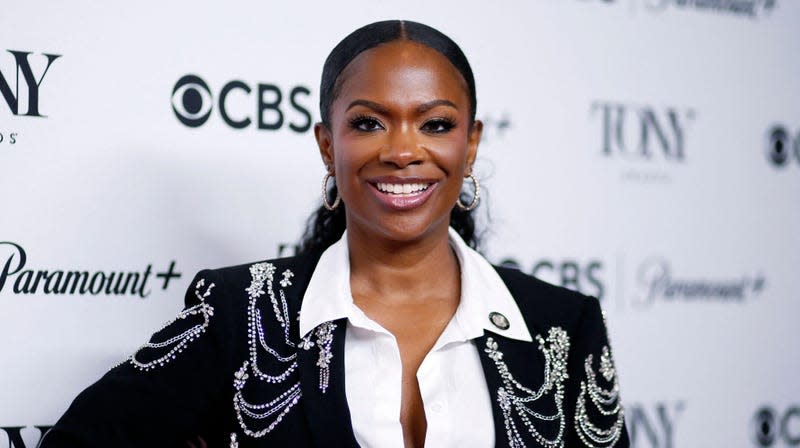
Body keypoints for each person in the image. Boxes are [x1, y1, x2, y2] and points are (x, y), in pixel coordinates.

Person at [42, 20, 629, 448]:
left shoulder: (563, 326)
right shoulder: (240, 314)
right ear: (328, 145)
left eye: (436, 123)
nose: (403, 151)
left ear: (470, 144)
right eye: (369, 122)